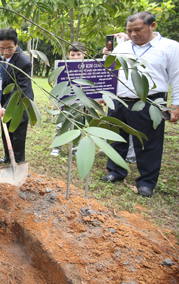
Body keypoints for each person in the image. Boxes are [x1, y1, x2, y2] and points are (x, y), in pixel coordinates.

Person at [100, 11, 179, 197]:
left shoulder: (170, 47)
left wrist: (176, 104)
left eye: (138, 30)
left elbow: (176, 77)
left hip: (150, 101)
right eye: (129, 31)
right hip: (119, 100)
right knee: (115, 137)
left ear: (152, 26)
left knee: (148, 142)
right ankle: (116, 171)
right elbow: (111, 72)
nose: (133, 34)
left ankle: (146, 182)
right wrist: (106, 93)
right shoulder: (123, 48)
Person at [0, 28, 34, 165]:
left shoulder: (24, 62)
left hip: (19, 102)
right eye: (1, 48)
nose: (5, 52)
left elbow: (20, 89)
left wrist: (7, 108)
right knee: (5, 130)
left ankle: (18, 162)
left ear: (16, 44)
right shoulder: (1, 53)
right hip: (3, 99)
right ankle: (8, 156)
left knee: (18, 135)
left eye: (10, 48)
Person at [50, 41, 86, 157]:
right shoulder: (63, 68)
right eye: (73, 55)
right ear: (68, 55)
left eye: (78, 54)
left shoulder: (88, 69)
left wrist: (88, 105)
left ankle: (76, 148)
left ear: (84, 54)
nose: (75, 57)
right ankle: (57, 146)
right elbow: (58, 86)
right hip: (64, 103)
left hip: (81, 104)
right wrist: (57, 102)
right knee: (60, 126)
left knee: (78, 126)